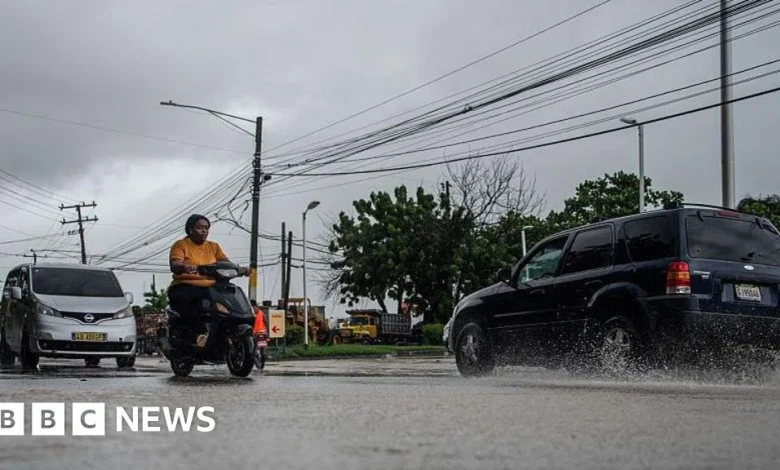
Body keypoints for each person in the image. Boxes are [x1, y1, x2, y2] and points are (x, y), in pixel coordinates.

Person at [168, 214, 250, 347]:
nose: (204, 231)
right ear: (190, 230)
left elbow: (226, 263)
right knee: (182, 300)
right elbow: (175, 264)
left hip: (210, 287)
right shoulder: (181, 245)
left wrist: (241, 269)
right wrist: (184, 266)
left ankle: (224, 332)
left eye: (206, 228)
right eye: (199, 227)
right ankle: (200, 334)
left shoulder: (213, 247)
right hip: (185, 285)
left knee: (229, 299)